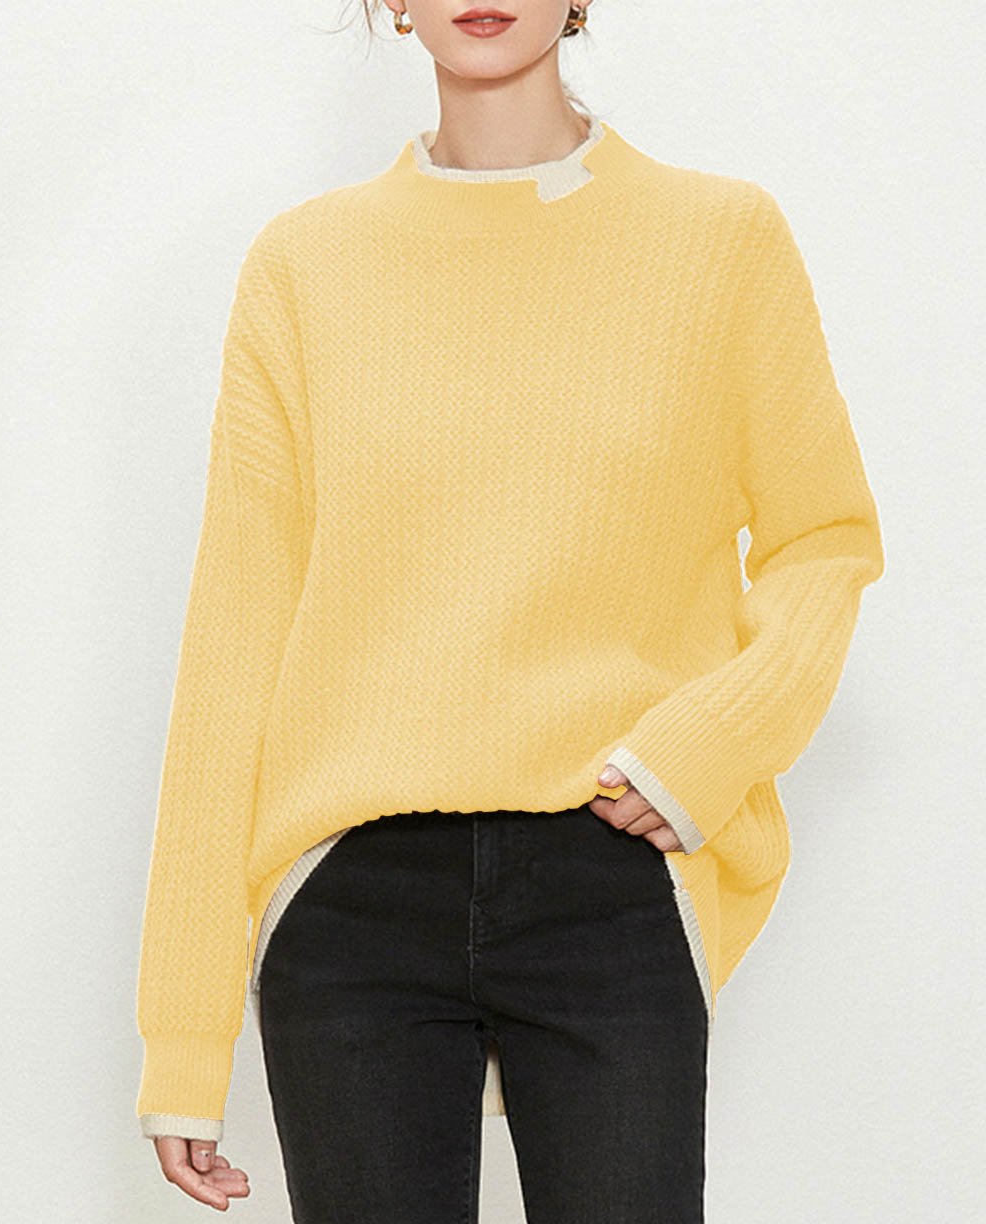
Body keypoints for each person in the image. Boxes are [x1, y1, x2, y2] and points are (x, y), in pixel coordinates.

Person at [135, 2, 886, 1220]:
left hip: (608, 872)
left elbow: (825, 539)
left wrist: (709, 743)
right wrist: (182, 1032)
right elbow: (234, 644)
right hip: (352, 894)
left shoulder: (718, 242)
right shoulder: (305, 267)